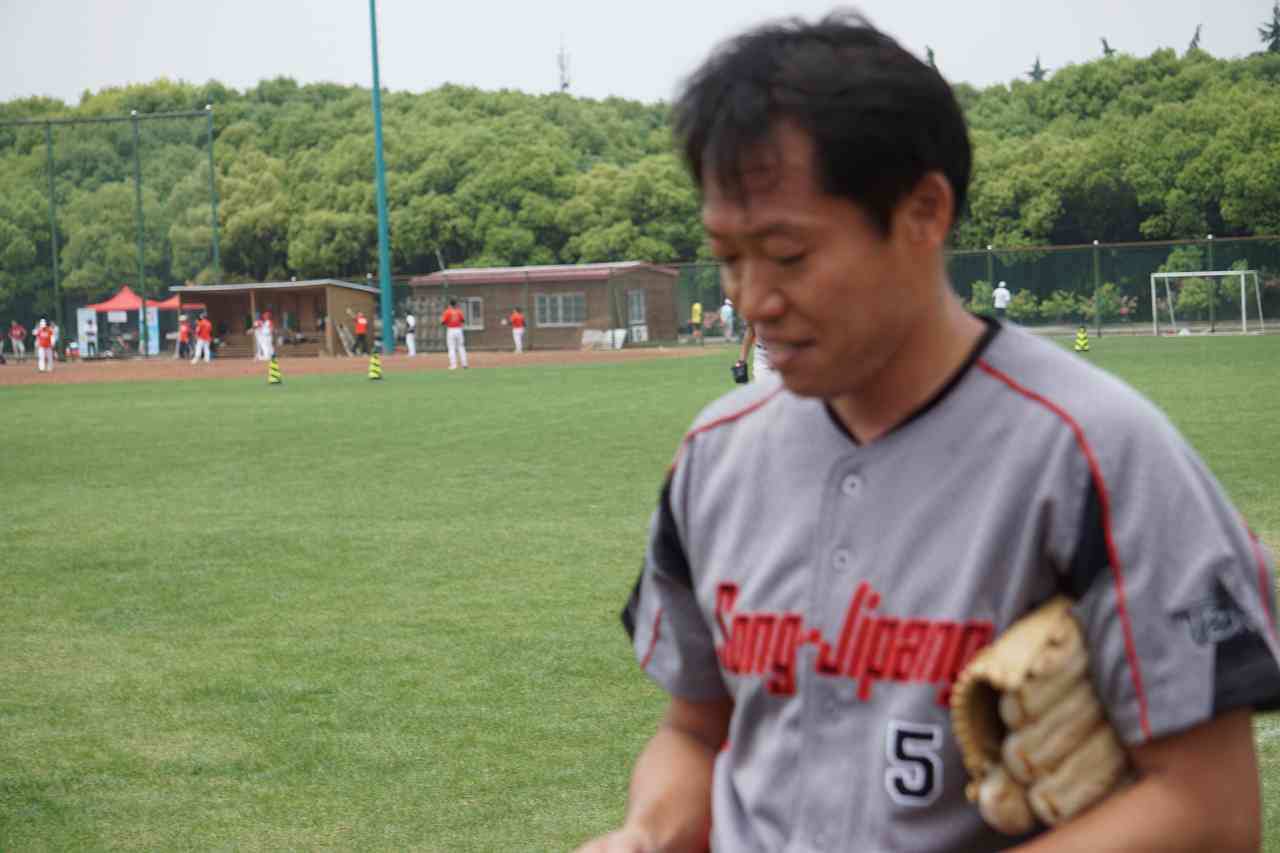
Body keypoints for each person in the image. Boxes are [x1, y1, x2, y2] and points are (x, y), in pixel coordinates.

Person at [578, 13, 1278, 853]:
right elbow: (696, 731)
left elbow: (1210, 808)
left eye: (788, 254)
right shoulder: (714, 455)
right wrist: (644, 834)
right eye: (729, 258)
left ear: (924, 212)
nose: (754, 298)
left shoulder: (1093, 453)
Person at [735, 321, 778, 386]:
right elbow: (750, 332)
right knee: (761, 385)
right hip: (762, 354)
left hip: (784, 352)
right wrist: (741, 360)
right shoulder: (755, 316)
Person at [441, 298, 468, 369]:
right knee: (461, 347)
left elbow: (443, 322)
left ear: (450, 304)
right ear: (456, 304)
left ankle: (453, 365)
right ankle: (464, 364)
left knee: (451, 348)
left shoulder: (447, 311)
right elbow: (463, 320)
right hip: (459, 330)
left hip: (451, 330)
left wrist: (447, 322)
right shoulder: (459, 311)